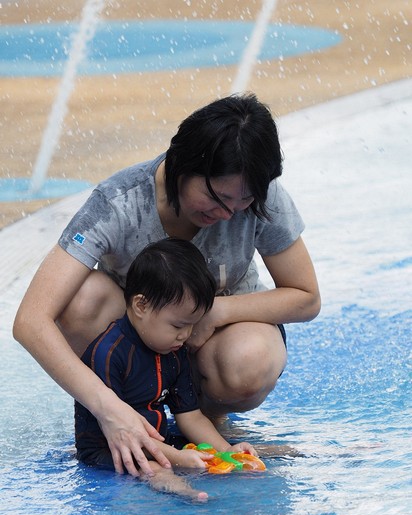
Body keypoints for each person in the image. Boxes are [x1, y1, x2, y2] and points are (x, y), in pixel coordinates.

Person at [13, 93, 321, 478]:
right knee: (81, 300)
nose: (227, 214)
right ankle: (131, 420)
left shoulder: (255, 195)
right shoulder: (120, 202)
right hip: (138, 354)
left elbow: (306, 298)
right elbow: (30, 321)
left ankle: (206, 420)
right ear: (182, 165)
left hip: (216, 343)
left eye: (241, 204)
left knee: (250, 359)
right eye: (216, 197)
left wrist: (216, 311)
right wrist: (108, 408)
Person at [76, 238, 256, 500]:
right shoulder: (108, 354)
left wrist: (226, 451)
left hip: (160, 442)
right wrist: (179, 458)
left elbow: (190, 417)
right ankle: (182, 491)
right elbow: (123, 433)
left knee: (212, 451)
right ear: (141, 306)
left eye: (191, 325)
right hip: (111, 447)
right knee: (157, 468)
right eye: (177, 325)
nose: (186, 335)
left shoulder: (173, 350)